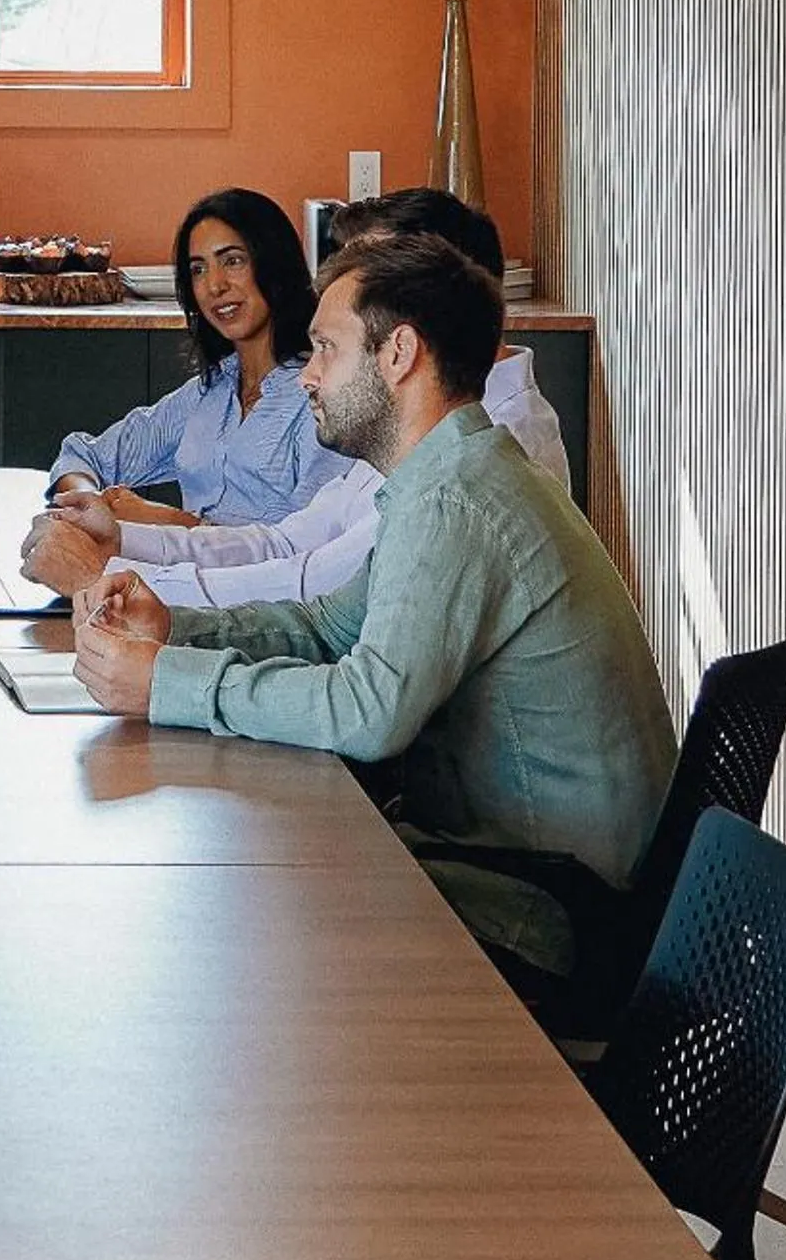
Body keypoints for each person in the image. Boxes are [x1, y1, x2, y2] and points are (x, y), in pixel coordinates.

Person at [68, 232, 676, 1005]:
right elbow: (329, 626)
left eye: (325, 349)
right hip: (522, 877)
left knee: (246, 920)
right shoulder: (451, 478)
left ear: (398, 356)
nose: (308, 376)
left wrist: (165, 684)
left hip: (555, 915)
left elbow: (367, 713)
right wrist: (175, 626)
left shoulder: (457, 502)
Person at [22, 188, 568, 605]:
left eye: (366, 282)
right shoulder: (428, 424)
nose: (213, 285)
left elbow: (315, 590)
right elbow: (287, 546)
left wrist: (109, 579)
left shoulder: (488, 451)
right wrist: (122, 537)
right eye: (198, 269)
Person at [45, 187, 350, 527]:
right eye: (198, 269)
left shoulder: (318, 399)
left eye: (232, 261)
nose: (214, 286)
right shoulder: (207, 394)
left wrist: (171, 522)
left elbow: (314, 546)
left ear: (273, 263)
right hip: (170, 576)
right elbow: (82, 456)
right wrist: (94, 505)